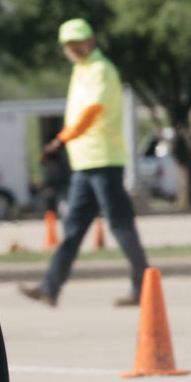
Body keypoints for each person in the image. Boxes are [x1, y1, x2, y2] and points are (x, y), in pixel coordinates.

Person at [19, 18, 149, 307]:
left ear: (91, 40)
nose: (74, 47)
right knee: (73, 229)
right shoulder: (80, 71)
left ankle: (144, 287)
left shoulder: (101, 69)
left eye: (78, 41)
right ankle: (49, 288)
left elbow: (91, 111)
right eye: (69, 43)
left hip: (104, 159)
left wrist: (60, 140)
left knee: (120, 224)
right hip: (84, 164)